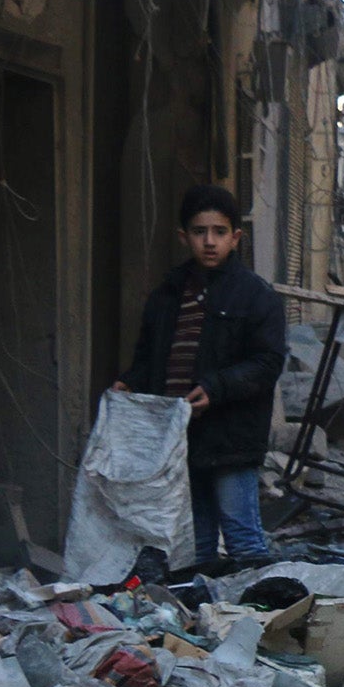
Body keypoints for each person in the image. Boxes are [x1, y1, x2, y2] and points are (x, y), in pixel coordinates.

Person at [114, 185, 285, 564]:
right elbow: (149, 358)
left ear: (235, 237)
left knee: (243, 540)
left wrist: (217, 387)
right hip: (179, 440)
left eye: (220, 232)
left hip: (231, 439)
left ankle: (261, 617)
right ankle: (209, 620)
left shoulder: (256, 296)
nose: (210, 242)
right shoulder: (166, 296)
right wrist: (131, 381)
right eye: (199, 232)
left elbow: (268, 363)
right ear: (183, 236)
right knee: (196, 545)